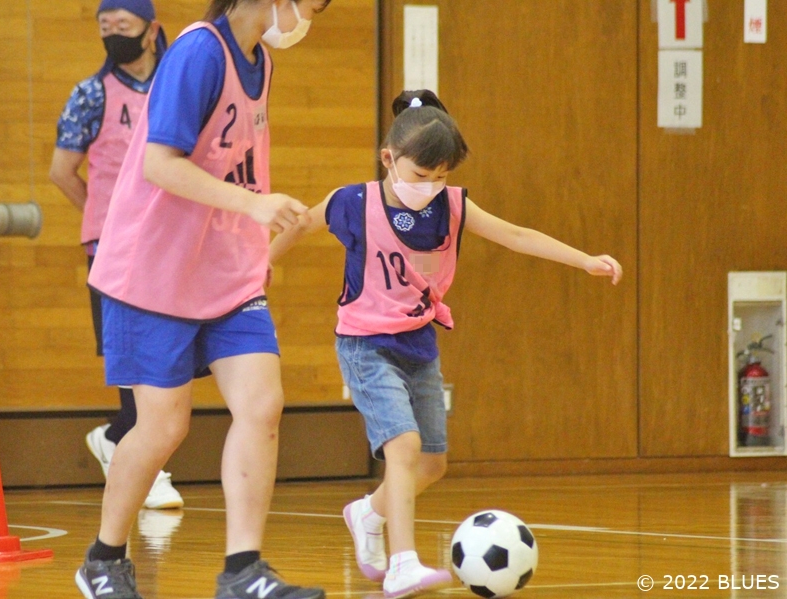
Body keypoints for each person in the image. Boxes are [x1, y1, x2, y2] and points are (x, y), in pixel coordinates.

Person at [269, 90, 623, 599]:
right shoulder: (353, 201)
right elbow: (301, 223)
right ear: (389, 159)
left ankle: (367, 512)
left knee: (432, 463)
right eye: (420, 175)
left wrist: (584, 259)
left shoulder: (452, 206)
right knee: (405, 447)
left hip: (418, 341)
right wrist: (259, 266)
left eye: (441, 177)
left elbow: (517, 234)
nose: (431, 187)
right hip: (365, 344)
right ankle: (402, 564)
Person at [76, 1, 332, 598]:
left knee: (262, 404)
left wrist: (252, 245)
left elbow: (239, 168)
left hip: (226, 274)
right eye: (308, 2)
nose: (308, 17)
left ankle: (243, 571)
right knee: (162, 427)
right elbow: (160, 166)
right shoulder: (197, 52)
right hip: (153, 273)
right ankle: (104, 559)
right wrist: (255, 207)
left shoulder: (260, 61)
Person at [49, 0, 183, 510]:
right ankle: (148, 463)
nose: (113, 35)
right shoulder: (89, 94)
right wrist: (106, 219)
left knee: (171, 354)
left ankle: (120, 437)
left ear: (152, 31)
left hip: (174, 241)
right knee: (135, 357)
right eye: (105, 29)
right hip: (116, 249)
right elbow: (62, 171)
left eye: (122, 26)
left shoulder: (178, 87)